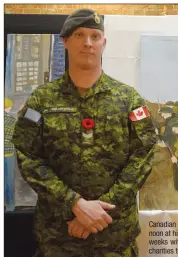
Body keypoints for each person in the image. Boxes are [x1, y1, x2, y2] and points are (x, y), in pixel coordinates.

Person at [11, 9, 158, 256]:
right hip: (59, 237)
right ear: (65, 41)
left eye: (95, 36)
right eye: (79, 35)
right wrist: (75, 204)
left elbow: (142, 156)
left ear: (104, 43)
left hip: (114, 237)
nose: (88, 43)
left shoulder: (128, 99)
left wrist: (99, 211)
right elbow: (28, 157)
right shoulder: (41, 100)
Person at [5, 98, 17, 211]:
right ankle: (9, 206)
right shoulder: (12, 120)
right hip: (8, 154)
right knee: (9, 180)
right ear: (8, 108)